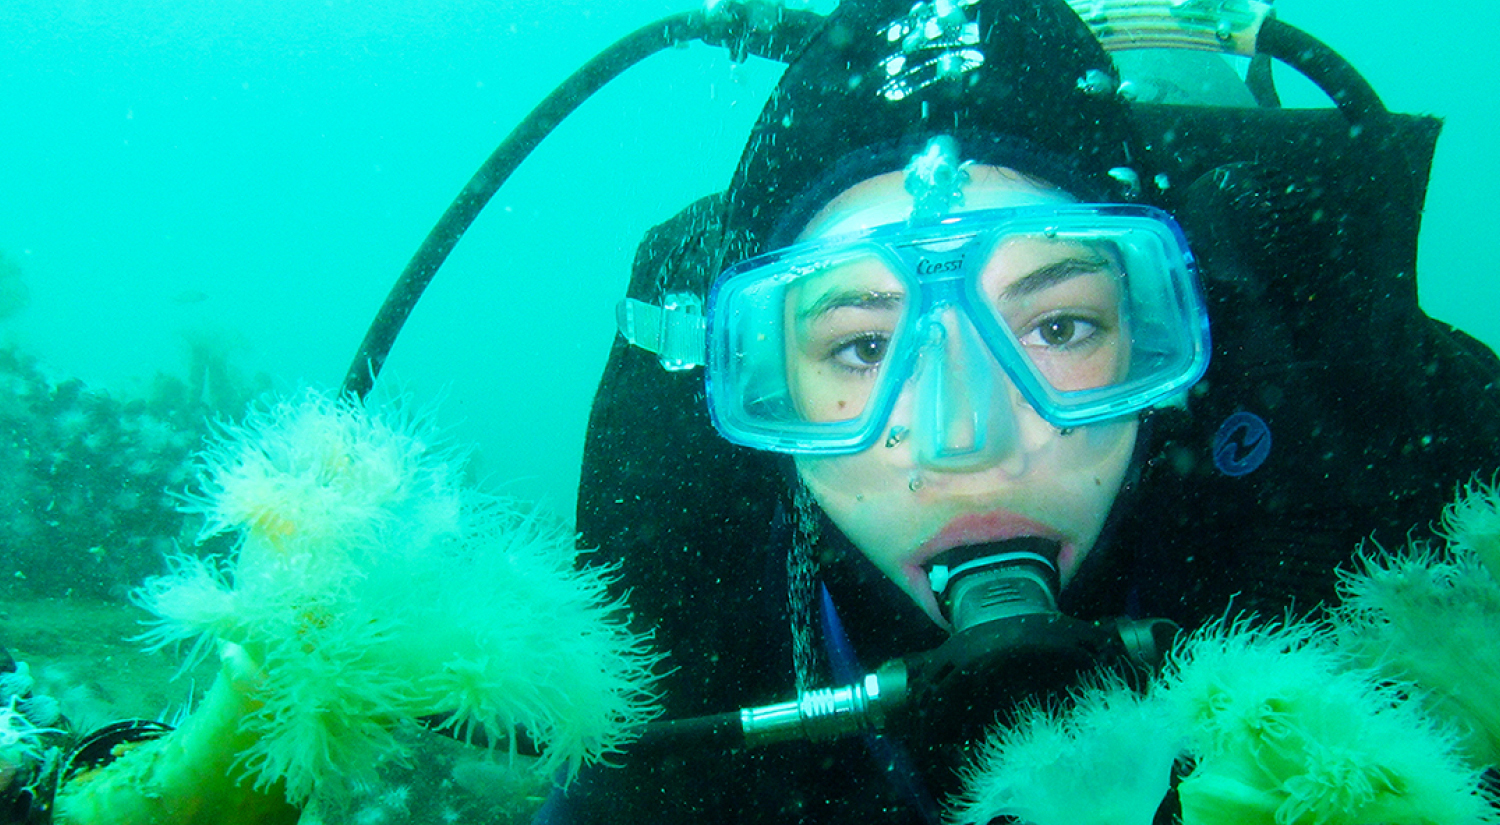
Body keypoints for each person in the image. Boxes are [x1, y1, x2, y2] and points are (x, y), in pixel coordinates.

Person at [558, 0, 1500, 822]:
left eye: (1056, 325)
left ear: (1159, 335)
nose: (969, 440)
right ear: (766, 384)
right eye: (863, 347)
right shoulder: (698, 607)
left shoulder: (1374, 505)